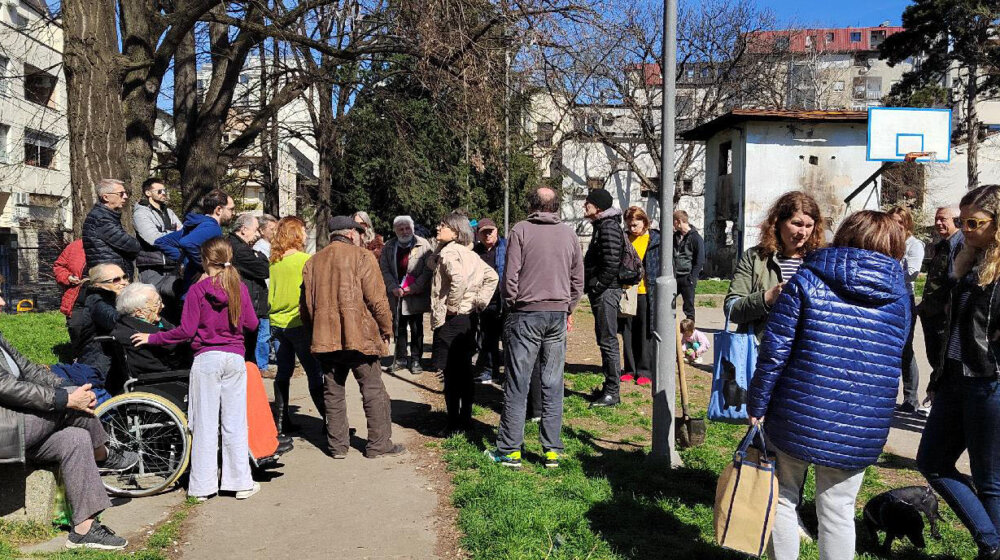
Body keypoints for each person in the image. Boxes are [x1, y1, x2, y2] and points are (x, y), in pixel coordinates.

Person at [748, 210, 909, 560]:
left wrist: (756, 406)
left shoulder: (807, 279)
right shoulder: (900, 296)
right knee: (838, 510)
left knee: (783, 498)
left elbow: (774, 352)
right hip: (861, 420)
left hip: (797, 411)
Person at [0, 274, 136, 550]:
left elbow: (29, 369)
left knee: (75, 438)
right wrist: (65, 399)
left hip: (20, 426)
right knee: (72, 411)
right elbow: (6, 387)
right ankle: (105, 453)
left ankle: (84, 529)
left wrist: (69, 387)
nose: (3, 301)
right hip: (5, 430)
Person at [132, 237, 260, 501]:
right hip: (235, 358)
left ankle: (203, 487)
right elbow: (251, 324)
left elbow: (186, 331)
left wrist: (152, 338)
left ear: (204, 260)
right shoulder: (240, 288)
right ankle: (241, 483)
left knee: (203, 423)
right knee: (235, 423)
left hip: (207, 359)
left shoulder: (197, 292)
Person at [917, 184, 1000, 560]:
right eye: (962, 221)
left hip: (989, 383)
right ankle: (991, 540)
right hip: (953, 380)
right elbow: (952, 327)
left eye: (974, 221)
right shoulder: (968, 261)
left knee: (990, 481)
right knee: (932, 461)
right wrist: (938, 379)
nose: (964, 228)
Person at [486, 187, 584, 469]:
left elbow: (510, 275)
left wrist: (511, 304)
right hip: (556, 314)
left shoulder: (521, 230)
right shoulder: (569, 233)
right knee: (553, 383)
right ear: (556, 206)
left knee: (518, 382)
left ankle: (509, 451)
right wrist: (568, 307)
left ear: (531, 204)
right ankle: (552, 450)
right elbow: (578, 278)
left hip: (526, 313)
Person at [300, 216, 406, 459]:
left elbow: (305, 306)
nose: (361, 236)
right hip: (361, 338)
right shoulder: (362, 257)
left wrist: (313, 333)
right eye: (359, 232)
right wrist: (387, 329)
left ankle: (337, 446)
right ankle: (378, 445)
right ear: (350, 234)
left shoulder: (313, 262)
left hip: (326, 338)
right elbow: (377, 300)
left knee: (333, 391)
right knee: (372, 390)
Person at [725, 191, 826, 342]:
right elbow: (732, 310)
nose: (803, 232)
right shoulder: (755, 258)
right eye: (796, 224)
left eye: (809, 226)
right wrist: (768, 297)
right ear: (777, 222)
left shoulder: (819, 260)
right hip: (762, 352)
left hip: (805, 355)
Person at [430, 213, 498, 435]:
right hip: (468, 318)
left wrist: (452, 305)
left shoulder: (449, 252)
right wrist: (479, 301)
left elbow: (458, 279)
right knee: (465, 372)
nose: (438, 228)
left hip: (453, 320)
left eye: (443, 225)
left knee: (451, 374)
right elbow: (492, 277)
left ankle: (452, 424)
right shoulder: (470, 254)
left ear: (456, 232)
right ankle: (465, 420)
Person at [268, 216, 324, 433]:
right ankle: (330, 421)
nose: (306, 234)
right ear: (295, 234)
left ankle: (281, 422)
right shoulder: (305, 260)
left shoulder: (274, 261)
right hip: (298, 322)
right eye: (303, 230)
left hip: (277, 322)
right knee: (314, 372)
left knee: (284, 371)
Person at [582, 189, 625, 408]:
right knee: (604, 339)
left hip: (607, 292)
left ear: (598, 207)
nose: (584, 206)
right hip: (603, 291)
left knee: (608, 341)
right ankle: (609, 387)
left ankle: (612, 392)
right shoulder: (602, 225)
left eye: (587, 203)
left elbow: (611, 263)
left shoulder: (608, 227)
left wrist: (598, 287)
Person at [918, 206, 963, 406]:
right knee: (935, 359)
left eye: (943, 219)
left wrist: (948, 305)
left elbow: (955, 278)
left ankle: (942, 403)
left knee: (942, 363)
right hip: (931, 313)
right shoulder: (942, 244)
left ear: (956, 221)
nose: (938, 223)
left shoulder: (959, 244)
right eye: (936, 219)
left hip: (943, 316)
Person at [379, 215, 433, 374]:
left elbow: (428, 269)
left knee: (417, 329)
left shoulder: (423, 244)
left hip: (415, 295)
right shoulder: (389, 246)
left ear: (412, 228)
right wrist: (392, 286)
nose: (404, 231)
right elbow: (384, 269)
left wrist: (415, 287)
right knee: (399, 328)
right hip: (396, 294)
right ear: (395, 231)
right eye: (400, 229)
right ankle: (401, 359)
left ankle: (416, 360)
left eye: (407, 228)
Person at [156, 189, 235, 292]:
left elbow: (162, 242)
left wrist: (184, 259)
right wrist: (203, 266)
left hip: (189, 288)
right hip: (198, 290)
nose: (234, 213)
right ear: (219, 209)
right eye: (231, 209)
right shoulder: (211, 228)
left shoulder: (196, 225)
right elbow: (187, 243)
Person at [66, 263, 130, 389]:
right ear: (98, 285)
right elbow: (113, 320)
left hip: (113, 358)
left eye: (125, 277)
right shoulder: (96, 299)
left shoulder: (116, 297)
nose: (124, 282)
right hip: (100, 363)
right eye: (116, 280)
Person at [888, 206, 926, 415]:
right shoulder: (886, 240)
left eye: (899, 222)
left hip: (904, 298)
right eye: (892, 221)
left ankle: (911, 398)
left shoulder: (914, 245)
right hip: (886, 297)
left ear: (907, 224)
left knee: (905, 348)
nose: (896, 226)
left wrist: (894, 261)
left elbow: (911, 274)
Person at [617, 206, 660, 386]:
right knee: (627, 331)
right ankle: (629, 368)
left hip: (646, 292)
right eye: (629, 225)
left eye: (635, 224)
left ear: (644, 222)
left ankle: (644, 370)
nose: (632, 228)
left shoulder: (655, 240)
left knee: (644, 332)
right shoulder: (624, 239)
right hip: (627, 291)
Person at [229, 213, 270, 374]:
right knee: (247, 352)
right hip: (246, 306)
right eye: (255, 230)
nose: (258, 234)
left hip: (252, 304)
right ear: (244, 229)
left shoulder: (244, 247)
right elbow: (263, 269)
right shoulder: (238, 249)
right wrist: (259, 256)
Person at [82, 179, 141, 280]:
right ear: (106, 197)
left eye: (125, 193)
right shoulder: (101, 219)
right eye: (121, 194)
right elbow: (132, 246)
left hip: (114, 274)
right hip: (109, 277)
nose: (125, 197)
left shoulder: (107, 216)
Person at [473, 218, 506, 385]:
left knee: (508, 339)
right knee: (487, 338)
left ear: (497, 230)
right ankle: (489, 371)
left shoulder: (506, 247)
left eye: (490, 231)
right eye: (484, 232)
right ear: (478, 234)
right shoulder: (474, 251)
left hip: (504, 300)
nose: (488, 234)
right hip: (485, 302)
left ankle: (509, 375)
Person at [133, 177, 181, 286]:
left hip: (173, 264)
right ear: (148, 193)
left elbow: (184, 234)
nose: (163, 193)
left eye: (165, 191)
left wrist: (165, 233)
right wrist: (173, 233)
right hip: (153, 266)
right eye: (159, 191)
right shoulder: (141, 213)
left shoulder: (169, 212)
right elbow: (153, 239)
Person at [673, 210, 704, 321]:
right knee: (667, 303)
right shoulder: (675, 237)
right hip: (675, 277)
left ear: (679, 221)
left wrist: (692, 277)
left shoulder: (696, 238)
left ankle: (690, 330)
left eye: (673, 222)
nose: (673, 225)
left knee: (688, 306)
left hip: (687, 277)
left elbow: (700, 260)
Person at [54, 239, 86, 319]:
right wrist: (68, 277)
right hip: (77, 301)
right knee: (76, 328)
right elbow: (59, 266)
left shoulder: (112, 246)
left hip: (105, 301)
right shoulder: (75, 246)